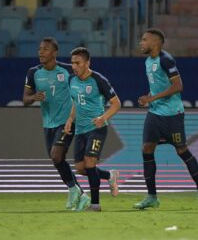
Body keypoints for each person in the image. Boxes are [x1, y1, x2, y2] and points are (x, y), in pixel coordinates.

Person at [133, 28, 198, 209]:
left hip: (172, 115)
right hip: (154, 114)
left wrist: (152, 98)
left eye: (144, 39)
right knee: (146, 149)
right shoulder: (148, 61)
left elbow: (178, 86)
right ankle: (152, 197)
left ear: (156, 42)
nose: (141, 43)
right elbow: (157, 86)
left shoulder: (166, 59)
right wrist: (149, 97)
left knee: (182, 151)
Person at [23, 37, 89, 211]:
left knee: (56, 155)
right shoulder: (33, 72)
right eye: (39, 49)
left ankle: (74, 190)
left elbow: (84, 83)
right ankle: (79, 192)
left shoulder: (68, 71)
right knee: (56, 160)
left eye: (45, 49)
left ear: (54, 53)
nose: (41, 52)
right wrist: (33, 97)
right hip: (48, 123)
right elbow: (25, 99)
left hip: (67, 121)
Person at [64, 47, 121, 212]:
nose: (74, 66)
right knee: (81, 169)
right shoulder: (71, 80)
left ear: (87, 63)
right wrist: (70, 119)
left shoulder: (99, 80)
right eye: (72, 63)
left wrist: (103, 118)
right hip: (80, 130)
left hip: (97, 128)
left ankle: (95, 204)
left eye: (77, 63)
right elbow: (76, 102)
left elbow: (116, 103)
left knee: (90, 163)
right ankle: (110, 176)